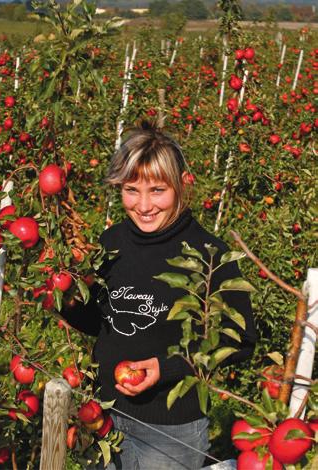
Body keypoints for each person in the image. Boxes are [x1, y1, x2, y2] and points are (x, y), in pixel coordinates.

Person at [60, 122, 257, 469]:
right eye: (131, 190)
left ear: (183, 184)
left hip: (171, 429)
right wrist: (66, 302)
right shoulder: (111, 243)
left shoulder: (209, 255)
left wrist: (166, 369)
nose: (144, 205)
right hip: (104, 415)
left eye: (157, 190)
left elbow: (240, 339)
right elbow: (104, 324)